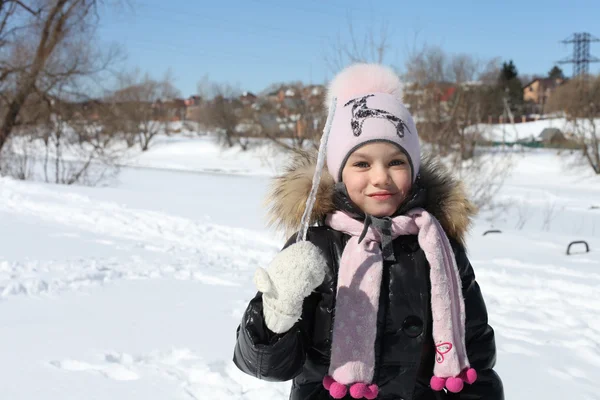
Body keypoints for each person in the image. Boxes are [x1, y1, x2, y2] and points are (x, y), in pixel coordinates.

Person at [233, 63, 504, 400]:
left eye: (396, 162)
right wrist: (276, 311)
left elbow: (476, 350)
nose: (380, 177)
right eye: (362, 163)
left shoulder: (439, 248)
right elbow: (267, 366)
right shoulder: (315, 248)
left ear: (413, 169)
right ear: (340, 172)